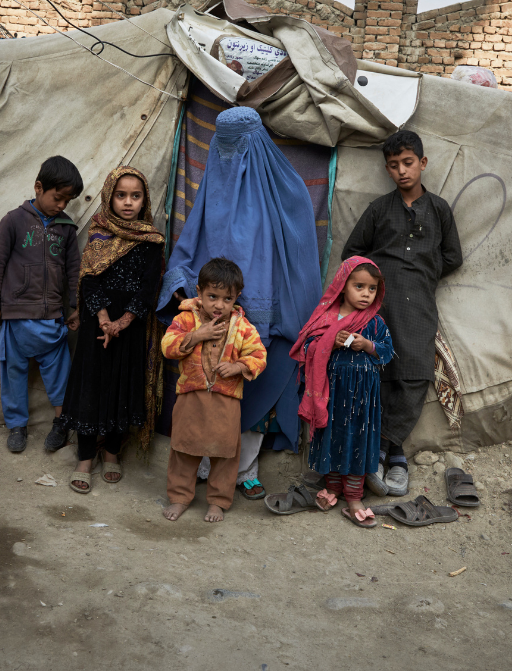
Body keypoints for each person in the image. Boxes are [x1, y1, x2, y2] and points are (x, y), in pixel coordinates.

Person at [157, 106, 322, 502]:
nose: (229, 155)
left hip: (262, 317)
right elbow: (189, 246)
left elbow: (298, 256)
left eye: (237, 146)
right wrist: (182, 286)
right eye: (222, 145)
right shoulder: (213, 187)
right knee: (203, 392)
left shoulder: (286, 190)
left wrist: (283, 307)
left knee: (251, 382)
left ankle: (244, 468)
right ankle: (198, 464)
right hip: (209, 314)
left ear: (256, 145)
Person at [341, 130, 462, 496]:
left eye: (408, 163)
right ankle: (395, 457)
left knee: (412, 374)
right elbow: (353, 252)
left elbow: (454, 257)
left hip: (420, 306)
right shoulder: (379, 209)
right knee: (377, 373)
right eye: (393, 166)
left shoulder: (439, 209)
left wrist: (421, 274)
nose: (401, 171)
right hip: (378, 306)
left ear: (422, 163)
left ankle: (382, 448)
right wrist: (373, 281)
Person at [62, 167, 165, 492]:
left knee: (122, 387)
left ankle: (111, 453)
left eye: (136, 196)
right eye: (121, 195)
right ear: (110, 196)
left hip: (130, 328)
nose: (128, 202)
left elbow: (149, 288)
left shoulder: (151, 240)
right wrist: (105, 318)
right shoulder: (99, 231)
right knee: (91, 386)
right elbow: (89, 278)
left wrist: (122, 322)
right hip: (96, 323)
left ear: (144, 199)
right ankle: (84, 457)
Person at [0, 156, 83, 453]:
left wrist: (75, 305)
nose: (62, 205)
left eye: (68, 200)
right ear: (39, 188)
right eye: (58, 197)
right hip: (15, 315)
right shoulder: (13, 221)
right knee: (13, 372)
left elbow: (73, 270)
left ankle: (60, 423)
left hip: (52, 315)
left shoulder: (66, 228)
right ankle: (16, 426)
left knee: (59, 371)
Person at [161, 258, 267, 523]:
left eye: (227, 299)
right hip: (191, 396)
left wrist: (239, 366)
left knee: (225, 452)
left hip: (226, 400)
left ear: (236, 298)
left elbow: (259, 354)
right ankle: (179, 497)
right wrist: (197, 335)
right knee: (184, 448)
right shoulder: (185, 318)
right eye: (212, 296)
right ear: (198, 292)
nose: (219, 305)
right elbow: (167, 345)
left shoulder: (242, 326)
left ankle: (218, 502)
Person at [293, 257, 393, 527]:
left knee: (357, 440)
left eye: (372, 289)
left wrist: (368, 345)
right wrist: (330, 343)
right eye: (359, 286)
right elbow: (306, 349)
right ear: (342, 285)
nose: (365, 294)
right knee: (332, 437)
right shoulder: (326, 318)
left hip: (362, 398)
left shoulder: (375, 323)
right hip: (332, 394)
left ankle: (354, 497)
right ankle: (333, 487)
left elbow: (387, 352)